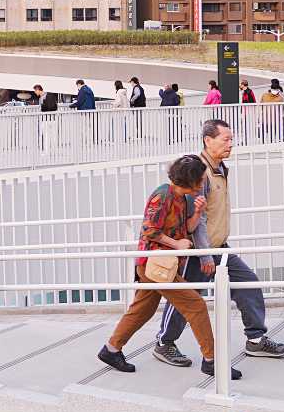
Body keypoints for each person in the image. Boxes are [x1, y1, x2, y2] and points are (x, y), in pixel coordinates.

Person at [151, 119, 284, 369]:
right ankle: (164, 342)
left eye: (231, 139)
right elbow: (198, 220)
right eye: (225, 139)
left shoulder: (220, 168)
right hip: (200, 250)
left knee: (247, 283)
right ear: (208, 140)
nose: (231, 143)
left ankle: (256, 339)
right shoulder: (199, 172)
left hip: (219, 246)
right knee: (187, 298)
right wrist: (205, 256)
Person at [97, 154, 240, 380]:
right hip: (155, 265)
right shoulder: (162, 195)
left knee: (142, 309)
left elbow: (188, 229)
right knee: (196, 305)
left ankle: (111, 349)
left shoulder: (185, 198)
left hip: (162, 264)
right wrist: (176, 244)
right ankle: (212, 361)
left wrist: (198, 212)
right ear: (190, 180)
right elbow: (149, 230)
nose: (203, 184)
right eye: (200, 180)